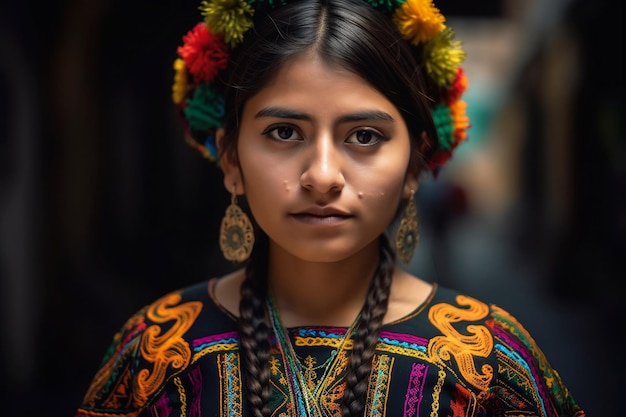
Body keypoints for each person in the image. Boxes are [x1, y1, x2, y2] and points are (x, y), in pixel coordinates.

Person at [74, 1, 585, 416]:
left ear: (414, 165)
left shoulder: (490, 363)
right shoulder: (156, 355)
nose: (321, 175)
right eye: (284, 133)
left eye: (364, 136)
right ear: (231, 159)